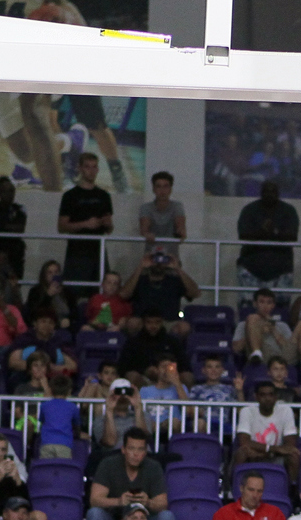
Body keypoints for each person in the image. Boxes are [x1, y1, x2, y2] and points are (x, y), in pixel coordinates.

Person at [87, 429, 174, 520]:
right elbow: (94, 500)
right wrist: (119, 501)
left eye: (140, 449)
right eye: (131, 448)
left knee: (167, 516)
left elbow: (163, 504)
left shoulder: (154, 467)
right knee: (94, 513)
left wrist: (148, 502)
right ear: (123, 449)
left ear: (145, 452)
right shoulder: (108, 464)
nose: (136, 454)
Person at [58, 154, 115, 289]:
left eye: (94, 167)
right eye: (87, 167)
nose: (91, 170)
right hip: (77, 251)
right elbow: (61, 226)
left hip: (98, 250)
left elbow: (110, 228)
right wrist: (85, 224)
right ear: (80, 168)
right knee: (76, 291)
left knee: (100, 290)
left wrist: (108, 225)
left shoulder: (104, 196)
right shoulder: (70, 196)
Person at [236, 181, 300, 295]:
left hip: (281, 270)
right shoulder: (249, 210)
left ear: (278, 193)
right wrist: (263, 232)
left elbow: (292, 237)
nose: (269, 194)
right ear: (261, 193)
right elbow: (243, 236)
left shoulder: (288, 211)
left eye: (273, 191)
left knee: (281, 310)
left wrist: (273, 232)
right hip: (251, 269)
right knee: (247, 309)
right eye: (266, 191)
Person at [233, 381, 301, 484]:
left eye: (271, 395)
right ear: (256, 397)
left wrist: (273, 452)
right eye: (263, 395)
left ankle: (292, 490)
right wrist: (273, 449)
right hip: (254, 454)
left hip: (276, 455)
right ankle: (236, 488)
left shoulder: (286, 411)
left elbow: (290, 443)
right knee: (242, 452)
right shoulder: (247, 411)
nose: (267, 398)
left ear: (276, 397)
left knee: (294, 455)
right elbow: (244, 442)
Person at [119, 254, 199, 337]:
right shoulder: (140, 279)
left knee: (184, 327)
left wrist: (178, 268)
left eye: (163, 260)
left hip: (169, 321)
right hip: (144, 321)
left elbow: (195, 293)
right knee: (133, 323)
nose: (158, 264)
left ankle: (175, 349)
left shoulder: (174, 280)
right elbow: (123, 295)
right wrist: (140, 267)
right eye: (155, 260)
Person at [235, 288, 301, 368]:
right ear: (255, 304)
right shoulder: (244, 324)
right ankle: (256, 353)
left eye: (269, 302)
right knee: (253, 318)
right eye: (261, 302)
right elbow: (236, 348)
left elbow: (286, 346)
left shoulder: (282, 325)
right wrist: (256, 333)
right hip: (262, 357)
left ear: (273, 305)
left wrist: (273, 330)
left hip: (282, 358)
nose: (265, 306)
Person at [118, 311, 193, 388]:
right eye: (149, 322)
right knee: (132, 376)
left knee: (187, 376)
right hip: (144, 380)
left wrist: (169, 371)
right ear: (143, 323)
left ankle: (184, 398)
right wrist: (145, 370)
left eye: (157, 322)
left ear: (162, 322)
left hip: (171, 378)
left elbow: (184, 365)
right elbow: (123, 367)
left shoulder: (172, 341)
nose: (153, 326)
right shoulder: (133, 342)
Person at [139, 172, 186, 257]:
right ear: (153, 189)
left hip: (171, 258)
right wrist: (146, 234)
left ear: (170, 189)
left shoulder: (177, 206)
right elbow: (144, 229)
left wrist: (181, 231)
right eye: (158, 186)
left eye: (165, 186)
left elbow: (180, 225)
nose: (162, 191)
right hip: (151, 258)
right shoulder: (146, 207)